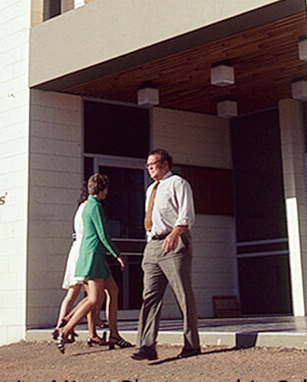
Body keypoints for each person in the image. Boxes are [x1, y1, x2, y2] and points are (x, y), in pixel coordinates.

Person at [131, 148, 200, 361]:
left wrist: (175, 234)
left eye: (153, 164)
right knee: (149, 296)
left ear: (165, 164)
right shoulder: (150, 189)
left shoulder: (178, 183)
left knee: (183, 294)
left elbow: (187, 214)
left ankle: (191, 344)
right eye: (148, 165)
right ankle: (146, 346)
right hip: (154, 245)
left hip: (175, 241)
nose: (150, 168)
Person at [54, 174, 132, 352]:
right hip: (93, 256)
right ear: (103, 190)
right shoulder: (95, 206)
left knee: (113, 290)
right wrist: (117, 254)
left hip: (92, 255)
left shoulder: (86, 205)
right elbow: (103, 235)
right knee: (95, 298)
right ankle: (65, 331)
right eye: (106, 190)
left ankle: (114, 334)